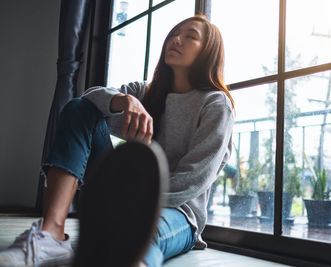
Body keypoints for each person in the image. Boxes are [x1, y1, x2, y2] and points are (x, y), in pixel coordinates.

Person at [0, 14, 234, 267]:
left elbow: (194, 178)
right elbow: (88, 99)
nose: (176, 39)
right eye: (175, 33)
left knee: (140, 238)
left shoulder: (215, 104)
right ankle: (51, 233)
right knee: (80, 108)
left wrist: (131, 206)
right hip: (119, 200)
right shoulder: (145, 91)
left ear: (208, 52)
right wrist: (125, 101)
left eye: (190, 36)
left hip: (177, 211)